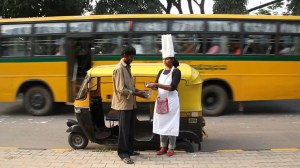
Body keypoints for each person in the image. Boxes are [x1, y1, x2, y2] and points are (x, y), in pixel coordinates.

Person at [146, 34, 181, 157]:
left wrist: (157, 84)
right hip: (161, 101)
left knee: (171, 124)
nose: (165, 61)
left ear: (172, 59)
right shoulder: (161, 71)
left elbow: (172, 87)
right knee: (162, 123)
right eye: (164, 59)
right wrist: (152, 85)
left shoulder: (176, 71)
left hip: (171, 102)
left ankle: (171, 148)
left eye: (167, 59)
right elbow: (157, 85)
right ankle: (162, 147)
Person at [111, 45, 146, 164]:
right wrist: (136, 93)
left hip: (130, 103)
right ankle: (123, 154)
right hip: (124, 104)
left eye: (133, 57)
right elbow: (121, 89)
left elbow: (129, 86)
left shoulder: (127, 67)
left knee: (130, 129)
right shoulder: (119, 68)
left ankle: (129, 150)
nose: (133, 59)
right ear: (124, 56)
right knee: (124, 130)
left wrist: (138, 91)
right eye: (131, 57)